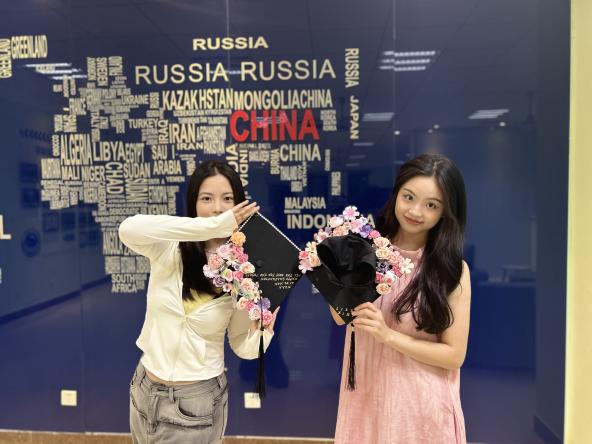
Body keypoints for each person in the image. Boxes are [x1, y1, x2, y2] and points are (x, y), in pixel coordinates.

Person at [118, 160, 277, 444]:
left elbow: (242, 345)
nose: (217, 208)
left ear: (239, 204)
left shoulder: (244, 269)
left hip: (196, 403)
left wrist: (261, 333)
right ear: (193, 203)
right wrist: (212, 227)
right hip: (143, 390)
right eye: (206, 199)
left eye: (227, 199)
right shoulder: (169, 245)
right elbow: (128, 229)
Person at [332, 154, 471, 444]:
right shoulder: (366, 250)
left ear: (445, 212)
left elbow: (454, 355)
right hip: (367, 401)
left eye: (431, 205)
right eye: (409, 197)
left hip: (422, 410)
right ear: (396, 194)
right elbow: (340, 317)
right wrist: (334, 275)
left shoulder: (451, 270)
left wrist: (387, 336)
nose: (416, 211)